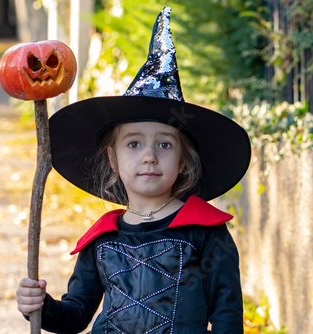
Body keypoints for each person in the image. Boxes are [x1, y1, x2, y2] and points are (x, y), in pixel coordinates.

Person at [16, 7, 251, 334]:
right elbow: (76, 313)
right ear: (112, 158)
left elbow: (227, 317)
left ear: (183, 159)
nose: (150, 157)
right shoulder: (102, 238)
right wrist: (40, 307)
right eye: (134, 144)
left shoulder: (206, 232)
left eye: (165, 145)